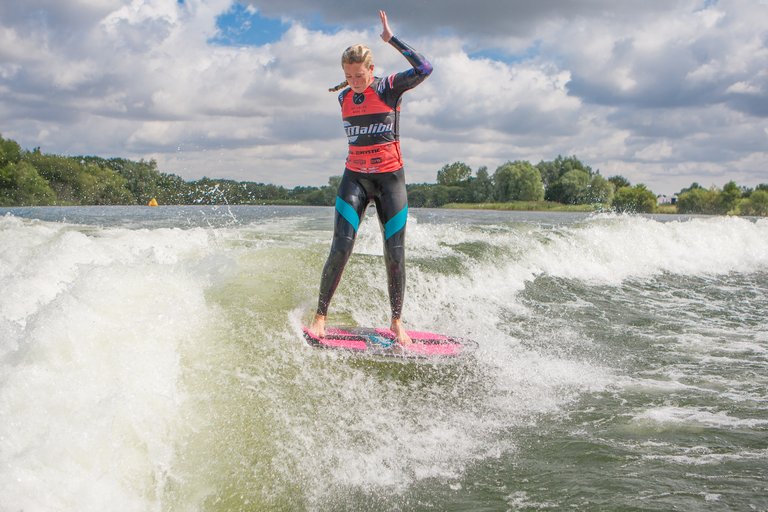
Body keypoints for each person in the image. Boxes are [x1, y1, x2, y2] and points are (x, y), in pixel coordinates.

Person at [309, 10, 433, 345]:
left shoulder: (389, 88)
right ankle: (321, 315)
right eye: (349, 76)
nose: (355, 81)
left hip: (390, 181)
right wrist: (349, 86)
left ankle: (396, 322)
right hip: (355, 179)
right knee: (340, 246)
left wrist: (391, 39)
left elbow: (425, 68)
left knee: (394, 252)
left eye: (360, 75)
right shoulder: (343, 97)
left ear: (372, 70)